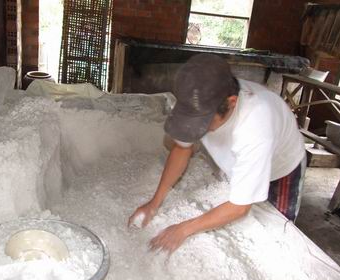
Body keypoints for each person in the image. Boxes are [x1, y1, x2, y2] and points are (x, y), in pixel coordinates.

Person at [128, 53, 306, 253]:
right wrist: (154, 203)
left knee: (276, 235)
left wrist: (183, 229)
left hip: (281, 168)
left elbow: (240, 207)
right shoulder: (199, 98)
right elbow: (181, 149)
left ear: (231, 103)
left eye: (205, 122)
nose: (198, 130)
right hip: (245, 154)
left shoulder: (255, 126)